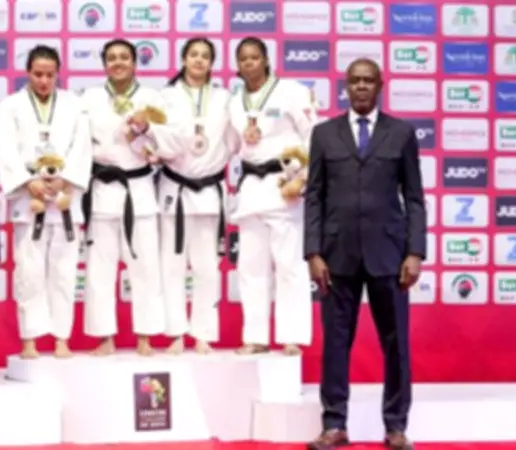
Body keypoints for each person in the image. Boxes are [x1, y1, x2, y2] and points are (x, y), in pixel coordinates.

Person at [303, 58, 425, 450]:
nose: (360, 87)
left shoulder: (401, 133)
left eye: (367, 81)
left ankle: (396, 426)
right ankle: (334, 424)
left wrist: (415, 251)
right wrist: (313, 251)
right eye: (354, 81)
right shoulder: (324, 134)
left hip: (390, 255)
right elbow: (314, 197)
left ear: (380, 85)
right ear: (345, 86)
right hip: (336, 257)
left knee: (397, 344)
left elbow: (415, 198)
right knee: (335, 345)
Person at [0, 45, 92, 359]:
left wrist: (66, 179)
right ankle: (30, 339)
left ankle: (62, 338)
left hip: (65, 199)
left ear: (58, 73)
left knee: (64, 273)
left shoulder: (75, 105)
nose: (44, 81)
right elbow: (6, 149)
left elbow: (82, 148)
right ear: (28, 72)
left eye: (50, 75)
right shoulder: (10, 106)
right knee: (29, 273)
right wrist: (28, 181)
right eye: (38, 74)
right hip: (29, 201)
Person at [227, 37, 318, 356]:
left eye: (255, 57)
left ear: (266, 60)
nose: (249, 62)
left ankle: (292, 337)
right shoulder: (234, 101)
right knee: (251, 268)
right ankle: (255, 337)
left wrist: (303, 179)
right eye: (243, 58)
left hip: (284, 187)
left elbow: (314, 136)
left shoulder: (292, 92)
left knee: (290, 265)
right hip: (251, 188)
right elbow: (231, 144)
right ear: (238, 65)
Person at [80, 39, 166, 356]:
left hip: (138, 190)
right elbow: (79, 143)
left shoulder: (151, 98)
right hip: (102, 189)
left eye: (124, 57)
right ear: (105, 64)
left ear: (134, 63)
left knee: (145, 267)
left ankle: (145, 336)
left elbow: (165, 144)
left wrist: (144, 133)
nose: (118, 63)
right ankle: (104, 337)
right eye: (112, 58)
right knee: (99, 270)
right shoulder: (89, 98)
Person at [149, 38, 234, 354]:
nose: (199, 60)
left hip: (209, 190)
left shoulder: (224, 98)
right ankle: (176, 333)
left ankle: (203, 334)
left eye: (205, 56)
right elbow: (155, 137)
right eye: (194, 54)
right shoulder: (165, 97)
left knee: (206, 267)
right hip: (175, 188)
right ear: (183, 58)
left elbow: (234, 139)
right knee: (171, 266)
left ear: (212, 63)